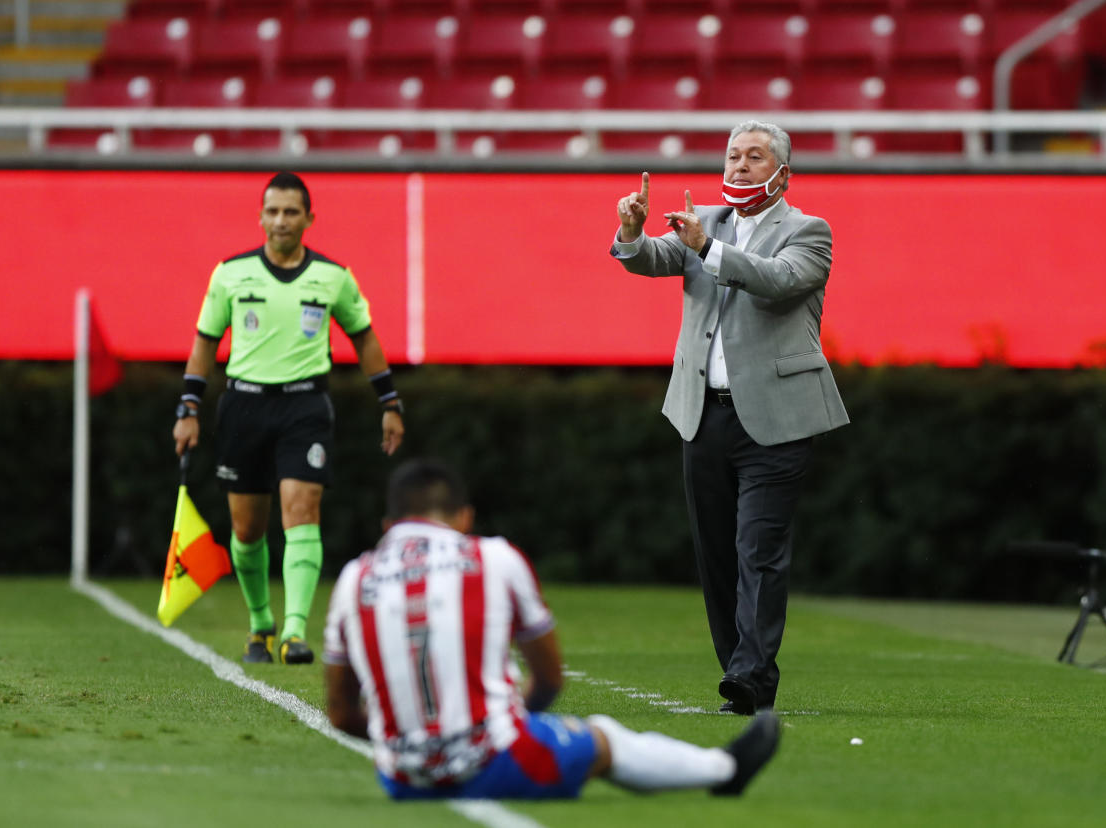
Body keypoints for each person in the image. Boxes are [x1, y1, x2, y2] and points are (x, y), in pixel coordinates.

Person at [323, 458, 781, 800]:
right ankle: (724, 768)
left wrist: (414, 743)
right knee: (604, 738)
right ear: (465, 517)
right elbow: (549, 679)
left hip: (402, 777)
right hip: (493, 758)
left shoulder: (353, 579)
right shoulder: (494, 558)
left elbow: (341, 714)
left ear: (388, 525)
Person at [609, 121, 849, 714]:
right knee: (716, 554)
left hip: (776, 419)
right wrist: (631, 231)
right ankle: (739, 670)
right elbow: (649, 260)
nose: (740, 165)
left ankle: (750, 676)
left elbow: (777, 281)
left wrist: (707, 250)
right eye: (733, 155)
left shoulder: (808, 231)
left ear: (782, 173)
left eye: (755, 156)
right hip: (702, 417)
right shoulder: (704, 221)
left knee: (758, 551)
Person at [173, 171, 404, 666]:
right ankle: (261, 623)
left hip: (304, 407)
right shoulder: (229, 274)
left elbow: (363, 337)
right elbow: (205, 344)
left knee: (302, 513)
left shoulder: (333, 276)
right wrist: (188, 410)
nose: (281, 220)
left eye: (291, 212)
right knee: (246, 529)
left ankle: (295, 631)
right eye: (273, 211)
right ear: (260, 217)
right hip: (243, 406)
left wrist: (389, 403)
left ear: (309, 219)